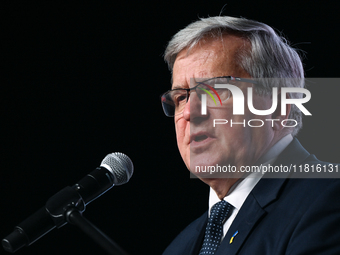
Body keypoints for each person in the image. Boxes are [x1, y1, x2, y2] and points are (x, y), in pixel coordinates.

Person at [160, 16, 340, 255]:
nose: (190, 112)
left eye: (214, 90)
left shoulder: (329, 199)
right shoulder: (179, 248)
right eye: (181, 97)